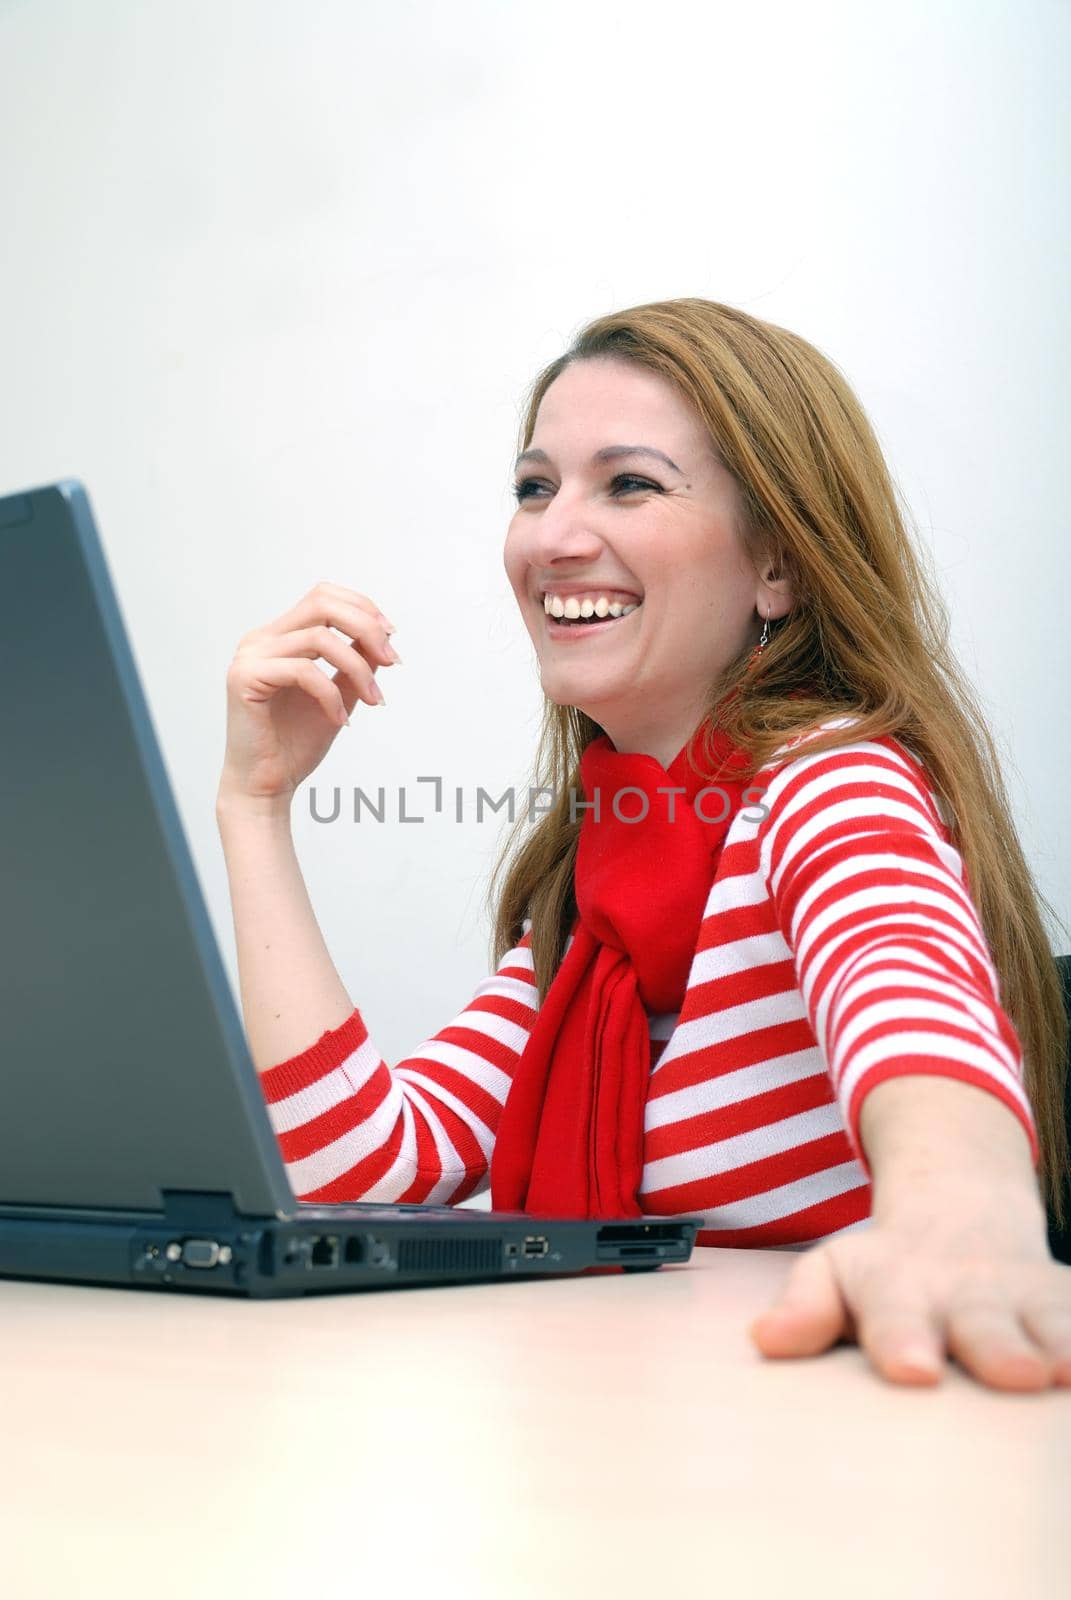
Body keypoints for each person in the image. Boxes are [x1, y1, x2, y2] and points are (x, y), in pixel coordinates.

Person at [215, 296, 1070, 1393]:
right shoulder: (591, 894)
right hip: (626, 1429)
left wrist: (966, 1213)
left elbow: (906, 982)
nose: (554, 535)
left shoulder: (830, 777)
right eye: (535, 487)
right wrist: (258, 803)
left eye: (630, 483)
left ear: (778, 566)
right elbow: (353, 1171)